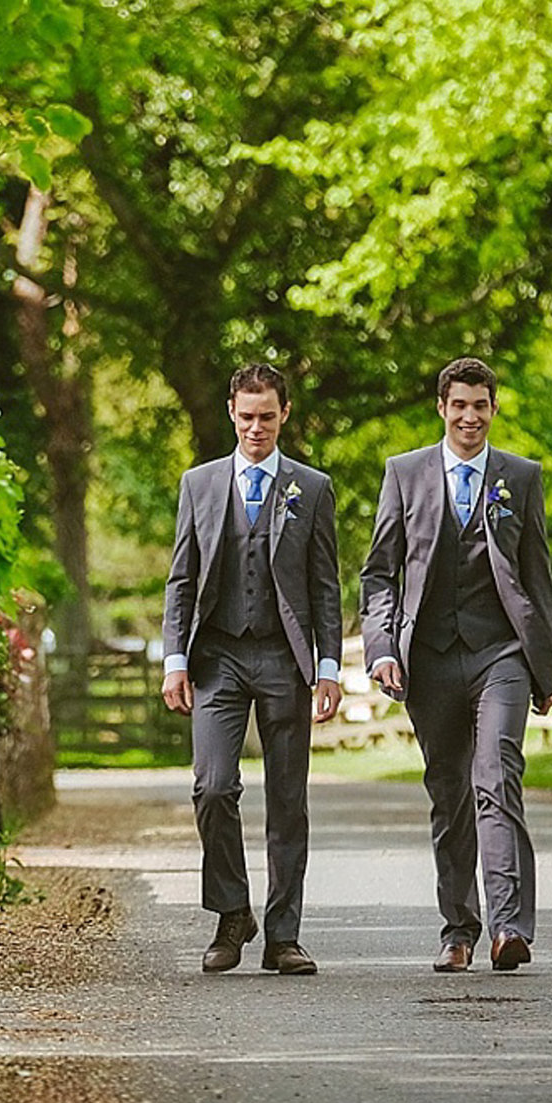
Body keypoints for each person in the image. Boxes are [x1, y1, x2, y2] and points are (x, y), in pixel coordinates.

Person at [360, 356, 552, 972]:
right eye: (459, 405)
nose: (469, 416)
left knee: (496, 776)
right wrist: (382, 646)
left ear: (494, 409)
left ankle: (508, 927)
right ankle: (458, 930)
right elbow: (378, 575)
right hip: (429, 658)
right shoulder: (404, 474)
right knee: (449, 794)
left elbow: (538, 575)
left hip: (500, 652)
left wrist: (545, 668)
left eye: (480, 405)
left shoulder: (521, 477)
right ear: (442, 409)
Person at [161, 363, 342, 976]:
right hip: (217, 657)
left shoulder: (311, 489)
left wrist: (330, 667)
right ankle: (232, 912)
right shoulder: (200, 484)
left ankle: (284, 936)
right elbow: (182, 579)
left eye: (267, 416)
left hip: (284, 659)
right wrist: (175, 660)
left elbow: (325, 587)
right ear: (231, 415)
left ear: (284, 414)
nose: (256, 428)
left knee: (288, 800)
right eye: (246, 417)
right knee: (212, 787)